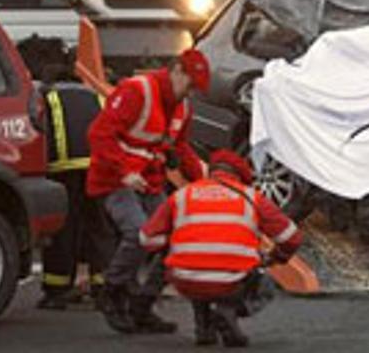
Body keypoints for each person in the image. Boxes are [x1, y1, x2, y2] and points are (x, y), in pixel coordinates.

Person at [86, 49, 210, 334]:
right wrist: (124, 171)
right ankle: (112, 292)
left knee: (173, 241)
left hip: (149, 180)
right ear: (176, 70)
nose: (189, 93)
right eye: (189, 85)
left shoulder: (182, 107)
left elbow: (180, 148)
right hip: (115, 181)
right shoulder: (137, 91)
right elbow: (99, 134)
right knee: (140, 232)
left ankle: (142, 304)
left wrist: (207, 179)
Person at [140, 149, 303, 347]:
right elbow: (291, 238)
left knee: (196, 263)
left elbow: (146, 239)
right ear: (241, 176)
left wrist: (174, 244)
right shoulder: (251, 197)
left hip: (185, 279)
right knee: (261, 281)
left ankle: (204, 329)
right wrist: (277, 257)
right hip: (232, 279)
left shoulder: (182, 195)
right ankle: (230, 311)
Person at [38, 82, 115, 310]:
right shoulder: (96, 96)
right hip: (97, 166)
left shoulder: (47, 96)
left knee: (63, 229)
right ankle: (103, 288)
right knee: (100, 226)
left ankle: (57, 290)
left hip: (61, 168)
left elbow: (42, 131)